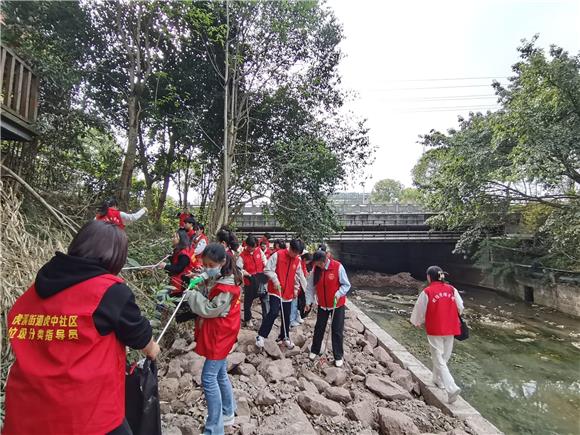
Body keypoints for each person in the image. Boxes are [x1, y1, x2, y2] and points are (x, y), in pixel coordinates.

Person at [3, 220, 159, 435]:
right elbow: (140, 337)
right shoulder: (109, 291)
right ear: (116, 257)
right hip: (84, 416)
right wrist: (152, 349)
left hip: (25, 410)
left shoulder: (34, 291)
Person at [186, 243, 242, 435]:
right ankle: (227, 414)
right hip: (224, 331)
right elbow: (210, 286)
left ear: (222, 262)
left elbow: (210, 309)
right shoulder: (222, 276)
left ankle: (214, 430)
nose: (207, 268)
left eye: (210, 265)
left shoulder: (227, 287)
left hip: (221, 333)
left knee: (208, 378)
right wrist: (201, 280)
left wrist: (191, 295)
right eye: (205, 264)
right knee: (219, 374)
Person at [410, 265, 464, 404]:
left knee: (438, 357)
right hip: (451, 327)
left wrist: (417, 321)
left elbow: (420, 309)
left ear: (429, 277)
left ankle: (451, 387)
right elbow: (460, 306)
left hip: (435, 328)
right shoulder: (451, 289)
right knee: (444, 356)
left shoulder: (427, 292)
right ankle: (437, 380)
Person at [256, 239, 307, 349]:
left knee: (286, 315)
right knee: (274, 312)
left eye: (298, 254)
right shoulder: (278, 255)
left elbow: (297, 276)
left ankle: (284, 337)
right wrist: (275, 280)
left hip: (288, 292)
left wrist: (295, 289)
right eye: (295, 253)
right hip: (276, 290)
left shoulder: (297, 260)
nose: (296, 256)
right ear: (291, 249)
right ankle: (261, 335)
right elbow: (267, 270)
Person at [305, 250, 351, 367]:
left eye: (319, 264)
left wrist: (339, 293)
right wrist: (308, 302)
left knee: (336, 330)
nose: (317, 266)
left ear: (324, 260)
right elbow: (310, 287)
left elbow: (346, 285)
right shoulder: (316, 270)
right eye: (316, 264)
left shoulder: (337, 267)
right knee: (319, 328)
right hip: (323, 305)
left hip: (337, 304)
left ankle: (338, 356)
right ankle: (314, 350)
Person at [236, 235, 269, 327]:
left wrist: (266, 269)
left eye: (255, 247)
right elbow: (238, 269)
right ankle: (248, 319)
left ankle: (266, 319)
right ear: (248, 245)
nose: (253, 249)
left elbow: (265, 261)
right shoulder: (242, 256)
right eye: (252, 247)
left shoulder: (259, 251)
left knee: (265, 299)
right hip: (250, 281)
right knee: (248, 302)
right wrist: (245, 273)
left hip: (261, 279)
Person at [158, 229, 194, 295]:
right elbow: (177, 261)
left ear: (181, 239)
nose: (173, 239)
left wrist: (165, 266)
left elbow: (178, 268)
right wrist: (170, 257)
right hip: (177, 280)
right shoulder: (180, 250)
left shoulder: (184, 254)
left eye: (175, 237)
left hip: (180, 282)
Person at [290, 252, 312, 327]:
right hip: (295, 286)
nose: (307, 263)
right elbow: (298, 276)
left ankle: (296, 316)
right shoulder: (298, 261)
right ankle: (291, 320)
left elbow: (303, 274)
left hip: (299, 286)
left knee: (297, 303)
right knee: (294, 303)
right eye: (307, 261)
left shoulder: (301, 263)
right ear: (305, 259)